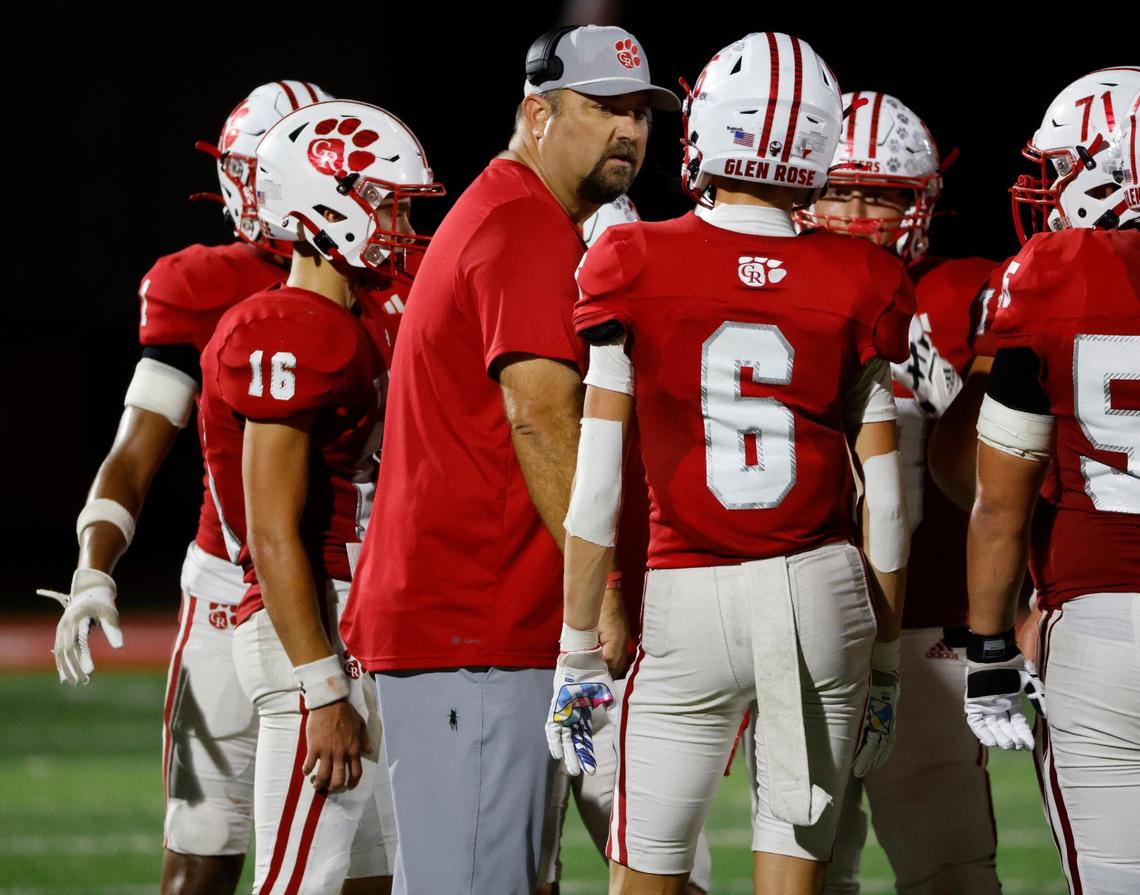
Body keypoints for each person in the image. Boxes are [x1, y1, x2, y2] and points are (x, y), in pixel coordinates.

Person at [547, 32, 914, 895]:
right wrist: (888, 663)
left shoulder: (631, 259)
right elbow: (887, 504)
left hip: (690, 593)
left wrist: (574, 651)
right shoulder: (861, 275)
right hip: (820, 592)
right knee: (795, 880)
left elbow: (597, 485)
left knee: (647, 876)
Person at [339, 24, 678, 895]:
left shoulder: (516, 213)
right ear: (537, 112)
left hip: (473, 627)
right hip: (476, 628)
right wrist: (600, 587)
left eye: (640, 113)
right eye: (603, 108)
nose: (629, 132)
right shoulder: (525, 225)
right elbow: (541, 417)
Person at [39, 80, 329, 895]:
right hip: (227, 594)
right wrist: (94, 563)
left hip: (349, 591)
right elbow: (135, 451)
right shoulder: (200, 285)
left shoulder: (388, 286)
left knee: (348, 855)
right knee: (202, 851)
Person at [200, 98, 442, 894]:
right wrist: (323, 685)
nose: (401, 226)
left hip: (342, 618)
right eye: (387, 204)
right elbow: (271, 531)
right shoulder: (289, 326)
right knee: (299, 878)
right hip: (306, 625)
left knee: (369, 878)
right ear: (330, 202)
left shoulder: (347, 317)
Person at [799, 91, 1003, 894]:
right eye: (838, 189)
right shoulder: (769, 289)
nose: (856, 213)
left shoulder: (967, 294)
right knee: (811, 860)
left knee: (949, 859)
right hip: (805, 610)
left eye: (879, 193)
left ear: (919, 201)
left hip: (931, 619)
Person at [965, 69, 1140, 895]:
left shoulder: (1049, 272)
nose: (1052, 190)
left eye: (1065, 168)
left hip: (1101, 626)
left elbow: (998, 504)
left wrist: (991, 648)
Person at [540, 197, 713, 895]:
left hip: (612, 645)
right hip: (523, 635)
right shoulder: (527, 348)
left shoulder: (648, 352)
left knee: (665, 866)